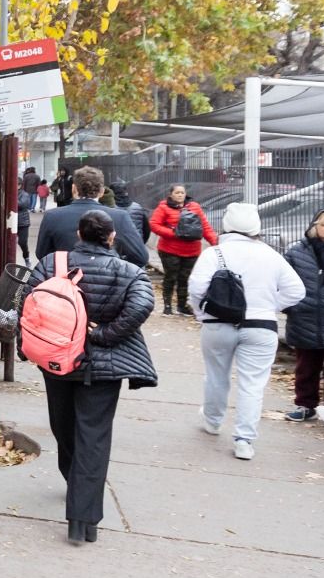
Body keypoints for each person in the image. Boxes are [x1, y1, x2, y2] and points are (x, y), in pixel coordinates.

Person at [26, 210, 156, 544]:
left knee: (64, 427)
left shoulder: (52, 264)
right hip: (104, 367)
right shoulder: (129, 272)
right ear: (112, 237)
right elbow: (142, 306)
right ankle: (85, 518)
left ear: (79, 235)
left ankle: (77, 490)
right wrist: (103, 335)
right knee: (94, 437)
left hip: (58, 361)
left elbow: (29, 299)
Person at [188, 203, 305, 461]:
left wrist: (202, 313)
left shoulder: (215, 253)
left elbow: (196, 288)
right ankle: (244, 440)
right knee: (252, 384)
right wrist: (269, 306)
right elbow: (297, 291)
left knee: (216, 375)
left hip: (217, 323)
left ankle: (213, 420)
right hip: (261, 327)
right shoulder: (272, 256)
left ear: (226, 226)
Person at [282, 209, 324, 423]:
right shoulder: (297, 252)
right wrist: (290, 307)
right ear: (314, 226)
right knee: (306, 368)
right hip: (304, 319)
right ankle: (305, 406)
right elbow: (281, 281)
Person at [35, 166, 149, 268]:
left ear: (74, 189)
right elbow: (140, 257)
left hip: (65, 285)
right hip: (107, 285)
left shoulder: (52, 216)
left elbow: (42, 254)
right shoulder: (120, 217)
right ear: (102, 191)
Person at [150, 184, 218, 315]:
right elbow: (154, 224)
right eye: (177, 192)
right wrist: (174, 233)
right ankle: (168, 306)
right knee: (171, 277)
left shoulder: (195, 207)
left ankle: (182, 306)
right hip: (170, 249)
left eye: (182, 192)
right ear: (171, 194)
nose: (180, 195)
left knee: (185, 278)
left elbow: (205, 226)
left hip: (191, 250)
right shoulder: (163, 207)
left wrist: (215, 243)